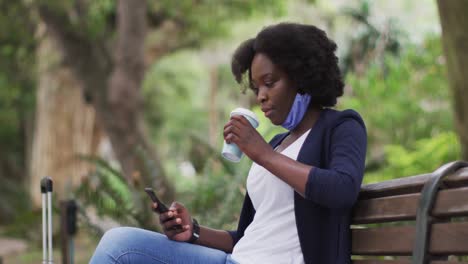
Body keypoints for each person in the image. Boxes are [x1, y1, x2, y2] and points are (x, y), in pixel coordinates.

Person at [89, 22, 367, 264]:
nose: (261, 96)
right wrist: (193, 231)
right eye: (257, 88)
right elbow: (245, 236)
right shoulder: (278, 143)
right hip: (238, 259)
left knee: (119, 248)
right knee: (118, 243)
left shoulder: (341, 126)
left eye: (270, 83)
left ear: (303, 76)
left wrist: (262, 155)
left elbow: (342, 189)